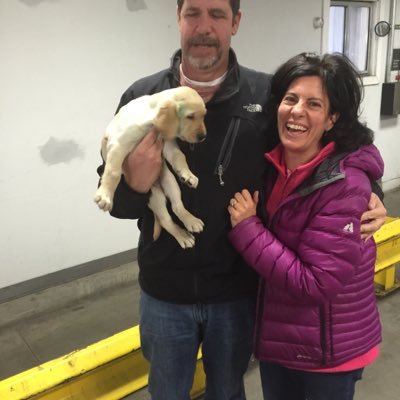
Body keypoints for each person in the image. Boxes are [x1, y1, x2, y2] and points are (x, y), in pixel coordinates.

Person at [97, 1, 386, 398]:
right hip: (164, 290)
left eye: (216, 15)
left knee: (229, 391)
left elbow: (331, 149)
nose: (204, 27)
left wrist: (371, 191)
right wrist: (133, 183)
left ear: (235, 22)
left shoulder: (266, 95)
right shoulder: (144, 96)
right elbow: (115, 200)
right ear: (178, 19)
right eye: (192, 13)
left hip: (238, 289)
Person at [227, 52, 384, 400]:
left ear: (332, 118)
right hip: (284, 341)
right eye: (291, 99)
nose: (298, 111)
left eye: (314, 104)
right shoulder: (272, 166)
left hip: (328, 352)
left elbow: (316, 282)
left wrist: (248, 229)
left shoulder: (345, 186)